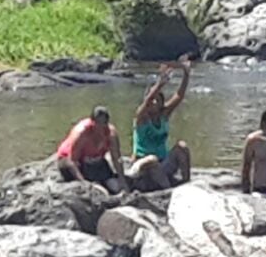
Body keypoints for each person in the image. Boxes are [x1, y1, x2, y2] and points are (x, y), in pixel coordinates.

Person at [129, 57, 193, 192]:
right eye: (152, 101)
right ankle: (168, 192)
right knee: (152, 159)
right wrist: (159, 84)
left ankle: (187, 185)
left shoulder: (164, 115)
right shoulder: (142, 117)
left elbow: (179, 96)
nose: (153, 104)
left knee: (182, 147)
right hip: (143, 165)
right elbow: (146, 102)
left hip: (162, 164)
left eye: (156, 101)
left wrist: (186, 74)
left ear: (161, 103)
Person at [55, 106, 129, 194]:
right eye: (98, 123)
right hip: (72, 160)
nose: (100, 127)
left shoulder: (110, 134)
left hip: (95, 161)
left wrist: (122, 180)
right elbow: (72, 160)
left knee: (115, 187)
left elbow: (116, 158)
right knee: (96, 190)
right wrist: (83, 182)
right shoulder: (82, 133)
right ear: (92, 121)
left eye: (103, 123)